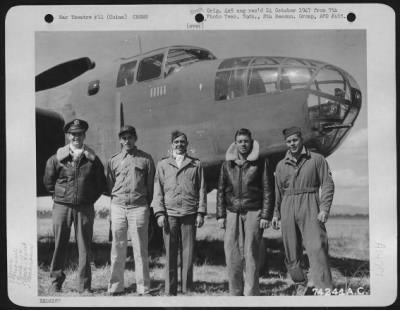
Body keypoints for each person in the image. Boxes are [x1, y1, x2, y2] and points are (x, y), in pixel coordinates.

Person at [43, 119, 106, 293]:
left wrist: (88, 199)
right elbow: (48, 181)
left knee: (85, 247)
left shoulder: (93, 160)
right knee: (59, 245)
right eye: (73, 134)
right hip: (62, 207)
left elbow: (101, 184)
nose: (76, 137)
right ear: (68, 136)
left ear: (84, 135)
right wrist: (58, 197)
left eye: (79, 134)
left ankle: (84, 286)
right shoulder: (57, 158)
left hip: (84, 208)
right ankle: (55, 282)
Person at [272, 126, 335, 295]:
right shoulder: (280, 165)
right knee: (291, 251)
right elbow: (277, 191)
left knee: (317, 248)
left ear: (301, 140)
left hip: (310, 204)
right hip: (287, 205)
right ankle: (300, 283)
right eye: (289, 141)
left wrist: (324, 208)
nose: (292, 144)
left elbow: (327, 184)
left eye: (295, 140)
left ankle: (325, 290)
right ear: (286, 143)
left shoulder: (317, 159)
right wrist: (276, 214)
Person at [216, 128, 274, 296]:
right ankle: (235, 294)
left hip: (253, 211)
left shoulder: (261, 162)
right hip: (231, 212)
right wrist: (220, 215)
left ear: (251, 142)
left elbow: (268, 190)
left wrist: (266, 215)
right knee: (231, 254)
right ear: (235, 143)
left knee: (251, 254)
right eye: (240, 141)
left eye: (246, 141)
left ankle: (251, 295)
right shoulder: (226, 164)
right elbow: (221, 190)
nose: (243, 144)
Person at [152, 130, 207, 295]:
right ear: (172, 145)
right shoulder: (163, 165)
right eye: (176, 142)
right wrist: (160, 213)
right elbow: (158, 191)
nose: (179, 144)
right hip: (170, 215)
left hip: (189, 213)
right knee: (170, 253)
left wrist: (200, 213)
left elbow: (202, 189)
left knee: (188, 254)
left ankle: (187, 289)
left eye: (182, 142)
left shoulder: (196, 164)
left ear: (187, 144)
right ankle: (170, 291)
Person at [106, 125, 155, 296]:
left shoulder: (146, 159)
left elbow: (150, 187)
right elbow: (110, 184)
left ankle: (143, 287)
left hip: (138, 207)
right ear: (120, 140)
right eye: (124, 138)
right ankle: (115, 286)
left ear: (136, 138)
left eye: (130, 137)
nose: (127, 141)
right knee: (117, 248)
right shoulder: (113, 160)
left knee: (140, 249)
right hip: (118, 206)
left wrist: (143, 203)